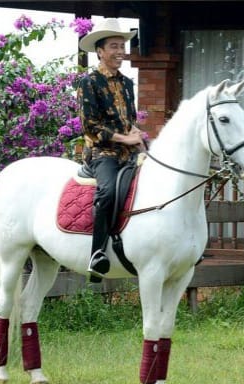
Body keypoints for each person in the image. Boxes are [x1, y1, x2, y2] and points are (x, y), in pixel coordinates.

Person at [77, 18, 145, 278]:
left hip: (131, 153)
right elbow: (90, 126)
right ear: (100, 51)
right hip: (101, 153)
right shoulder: (89, 82)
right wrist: (124, 139)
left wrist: (135, 134)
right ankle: (97, 254)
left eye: (122, 46)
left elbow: (129, 119)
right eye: (114, 46)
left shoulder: (127, 84)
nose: (120, 51)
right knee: (106, 192)